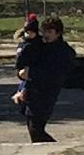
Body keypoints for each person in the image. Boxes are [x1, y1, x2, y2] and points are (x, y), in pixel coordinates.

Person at [18, 14, 79, 143]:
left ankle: (54, 149)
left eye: (50, 31)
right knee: (32, 126)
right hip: (32, 90)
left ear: (58, 33)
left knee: (36, 128)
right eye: (44, 31)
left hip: (46, 92)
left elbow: (54, 73)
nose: (46, 34)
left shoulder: (64, 51)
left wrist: (31, 74)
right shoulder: (40, 46)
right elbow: (25, 62)